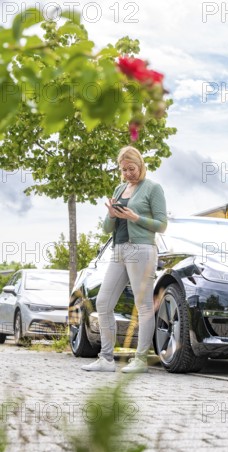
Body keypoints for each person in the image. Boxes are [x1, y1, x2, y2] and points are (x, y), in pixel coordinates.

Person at [81, 146, 167, 374]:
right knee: (103, 302)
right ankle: (106, 359)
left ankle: (140, 360)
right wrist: (111, 215)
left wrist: (135, 217)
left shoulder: (153, 188)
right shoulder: (120, 189)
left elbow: (162, 224)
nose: (128, 173)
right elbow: (106, 228)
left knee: (144, 306)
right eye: (124, 170)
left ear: (140, 165)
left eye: (132, 168)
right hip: (118, 250)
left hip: (141, 250)